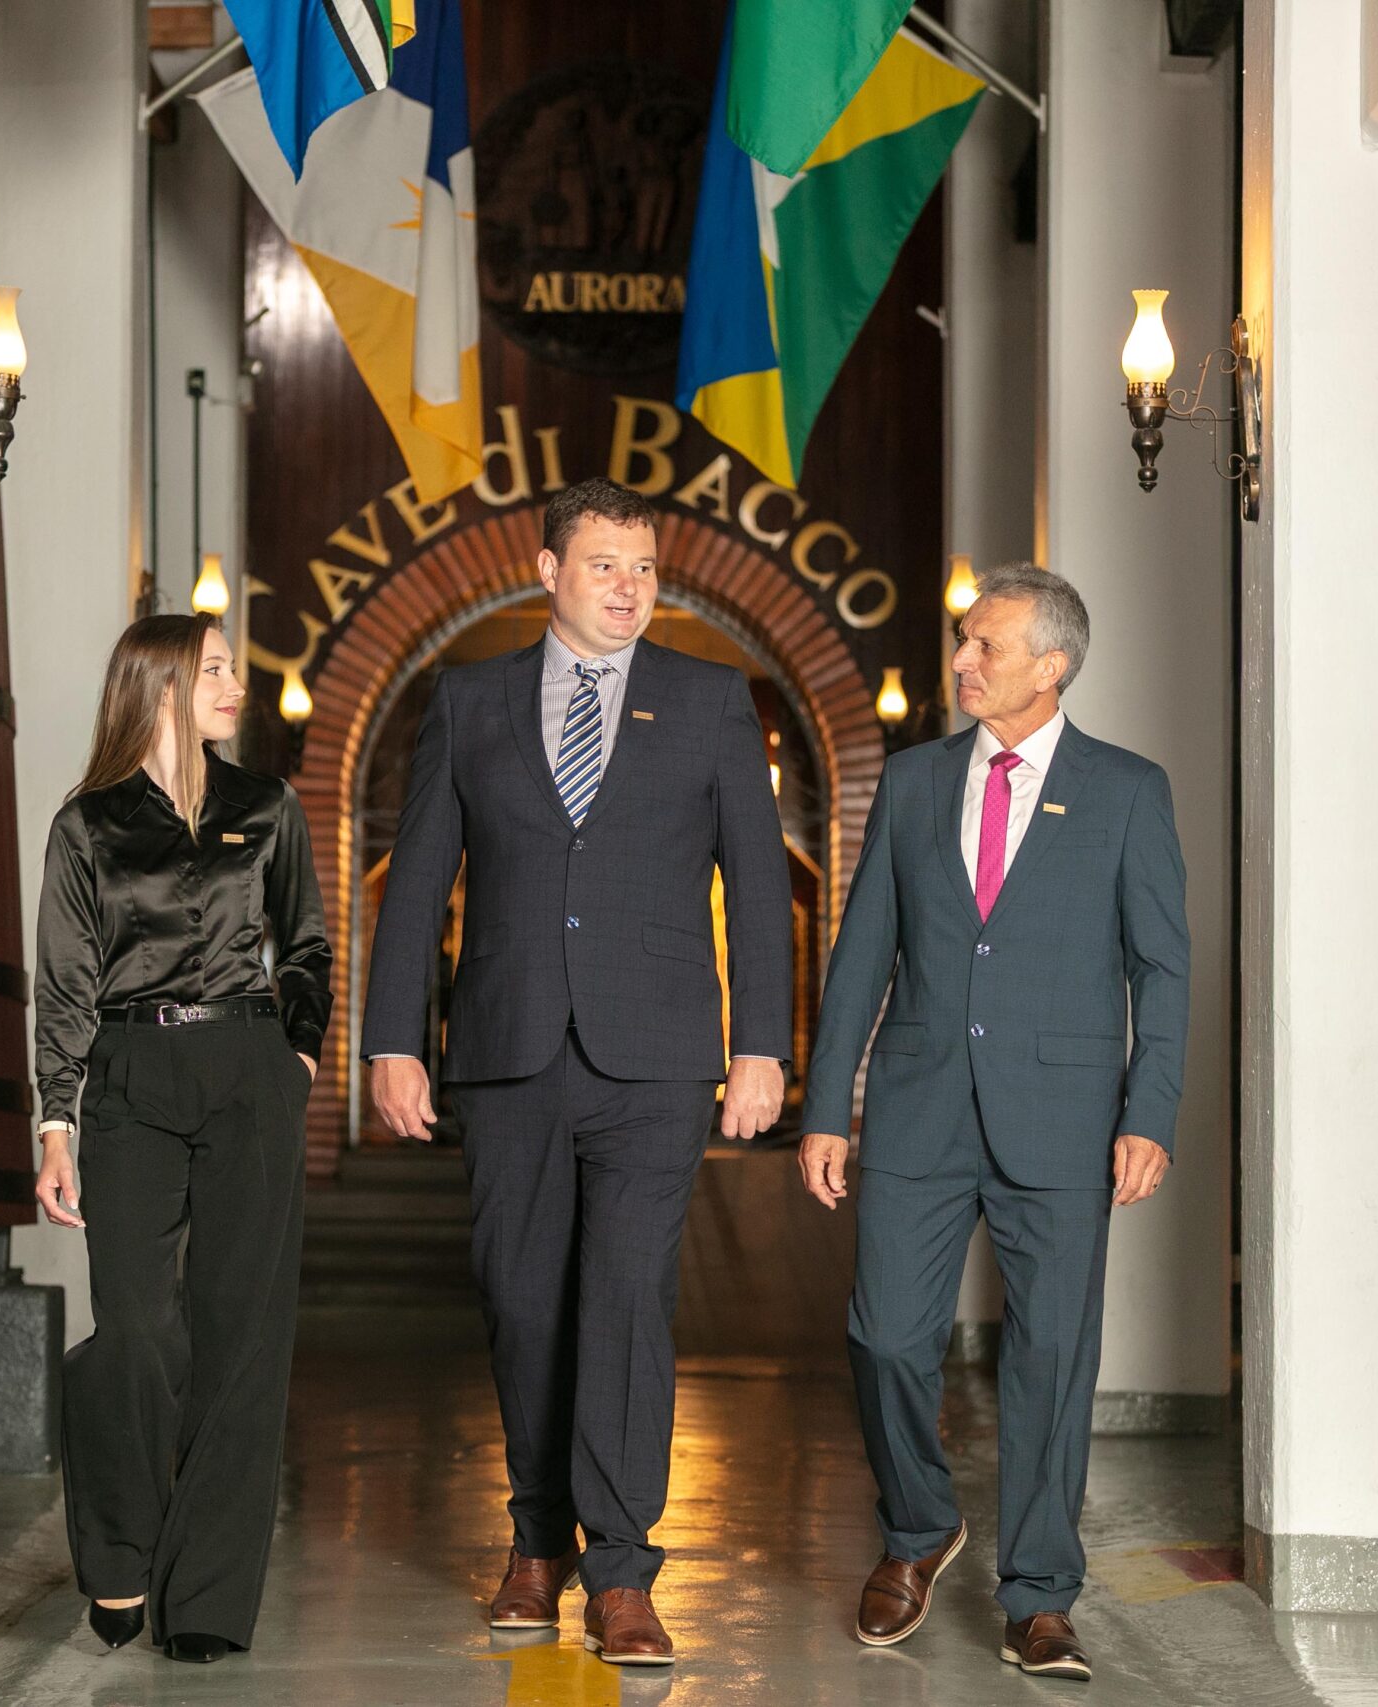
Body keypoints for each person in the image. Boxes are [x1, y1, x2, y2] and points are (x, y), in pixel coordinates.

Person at [360, 477, 792, 1667]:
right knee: (521, 1298)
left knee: (626, 1300)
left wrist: (762, 1044)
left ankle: (618, 1570)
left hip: (655, 1058)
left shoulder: (711, 705)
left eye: (645, 569)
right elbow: (416, 885)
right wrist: (393, 1039)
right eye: (604, 565)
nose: (629, 589)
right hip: (507, 1051)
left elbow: (757, 885)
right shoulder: (468, 701)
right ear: (544, 569)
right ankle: (534, 1537)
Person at [796, 564, 1189, 1683]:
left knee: (1053, 1358)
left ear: (1050, 667)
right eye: (964, 642)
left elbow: (1162, 968)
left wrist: (1147, 1112)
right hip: (919, 1110)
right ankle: (919, 1532)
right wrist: (831, 1106)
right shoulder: (915, 782)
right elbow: (862, 952)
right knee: (883, 1337)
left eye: (986, 646)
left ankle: (1039, 1596)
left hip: (1066, 1117)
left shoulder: (1125, 790)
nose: (962, 661)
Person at [30, 613, 331, 1665]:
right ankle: (118, 1551)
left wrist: (295, 1056)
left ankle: (205, 1598)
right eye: (213, 669)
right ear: (158, 685)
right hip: (129, 1077)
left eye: (233, 668)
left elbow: (305, 944)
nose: (234, 684)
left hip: (249, 1070)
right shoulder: (89, 826)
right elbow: (65, 983)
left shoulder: (267, 807)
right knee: (139, 1332)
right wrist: (55, 1120)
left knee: (244, 1337)